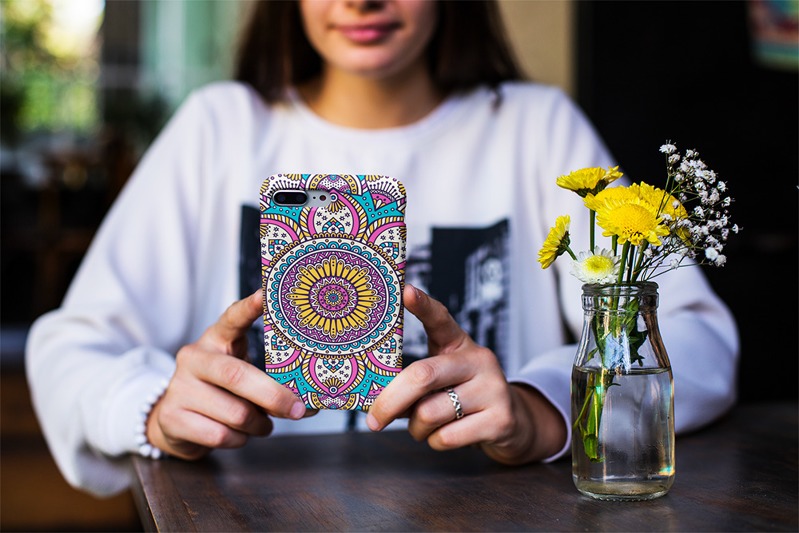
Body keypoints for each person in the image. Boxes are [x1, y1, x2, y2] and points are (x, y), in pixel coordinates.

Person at [26, 0, 739, 497]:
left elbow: (694, 336)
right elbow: (70, 347)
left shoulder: (535, 126)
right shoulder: (219, 127)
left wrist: (540, 406)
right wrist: (154, 409)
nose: (361, 1)